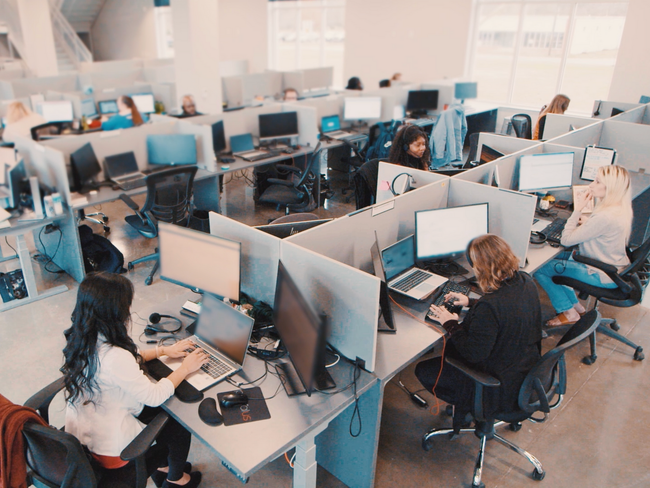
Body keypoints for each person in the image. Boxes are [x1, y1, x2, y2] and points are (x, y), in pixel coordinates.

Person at [61, 272, 209, 488]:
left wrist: (163, 350)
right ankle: (175, 479)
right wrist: (186, 367)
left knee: (164, 407)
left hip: (84, 435)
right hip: (113, 453)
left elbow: (125, 358)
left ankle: (165, 467)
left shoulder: (81, 335)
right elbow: (154, 396)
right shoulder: (114, 357)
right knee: (177, 418)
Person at [415, 234, 542, 427]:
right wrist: (471, 302)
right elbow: (505, 309)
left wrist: (449, 323)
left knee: (423, 370)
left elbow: (473, 353)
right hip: (521, 370)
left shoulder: (490, 307)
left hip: (496, 385)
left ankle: (470, 406)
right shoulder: (525, 281)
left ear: (481, 268)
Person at [535, 165, 632, 327]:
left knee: (540, 268)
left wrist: (578, 210)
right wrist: (588, 224)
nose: (591, 185)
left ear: (611, 188)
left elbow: (566, 240)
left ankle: (568, 311)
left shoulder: (605, 216)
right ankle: (577, 307)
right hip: (614, 267)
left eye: (597, 181)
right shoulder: (620, 208)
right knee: (554, 260)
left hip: (601, 273)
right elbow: (603, 230)